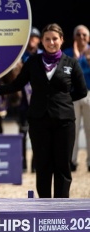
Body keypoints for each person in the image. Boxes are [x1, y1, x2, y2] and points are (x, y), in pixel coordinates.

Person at [0, 23, 87, 198]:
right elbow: (17, 84)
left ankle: (61, 204)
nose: (51, 42)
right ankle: (44, 204)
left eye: (54, 39)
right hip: (38, 120)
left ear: (61, 40)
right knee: (42, 164)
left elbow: (82, 91)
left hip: (64, 121)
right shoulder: (33, 62)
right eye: (47, 39)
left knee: (62, 165)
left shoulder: (71, 63)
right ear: (42, 41)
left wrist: (64, 101)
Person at [63, 25, 90, 172]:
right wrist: (75, 58)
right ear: (74, 37)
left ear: (88, 37)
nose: (81, 38)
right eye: (78, 35)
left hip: (89, 93)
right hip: (72, 95)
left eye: (84, 35)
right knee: (72, 129)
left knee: (89, 129)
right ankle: (72, 161)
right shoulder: (67, 53)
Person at [18, 26, 43, 173]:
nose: (31, 40)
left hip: (38, 100)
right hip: (23, 101)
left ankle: (35, 163)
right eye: (29, 37)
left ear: (38, 40)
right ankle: (22, 163)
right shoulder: (20, 56)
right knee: (22, 133)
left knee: (38, 134)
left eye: (34, 37)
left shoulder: (43, 55)